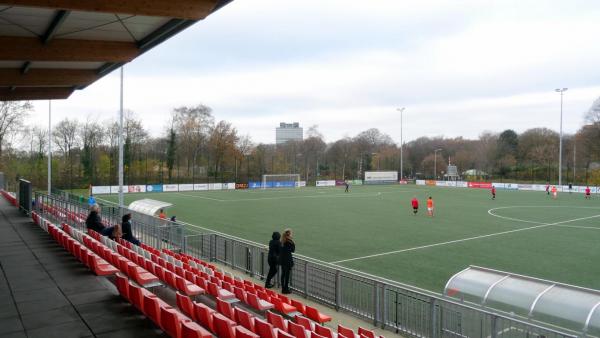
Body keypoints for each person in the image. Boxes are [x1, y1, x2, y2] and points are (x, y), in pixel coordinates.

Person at [280, 228, 295, 294]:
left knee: (283, 274)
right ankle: (285, 289)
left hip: (282, 260)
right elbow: (293, 250)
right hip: (287, 260)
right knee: (287, 275)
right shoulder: (289, 242)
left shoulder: (282, 241)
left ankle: (283, 288)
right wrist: (292, 242)